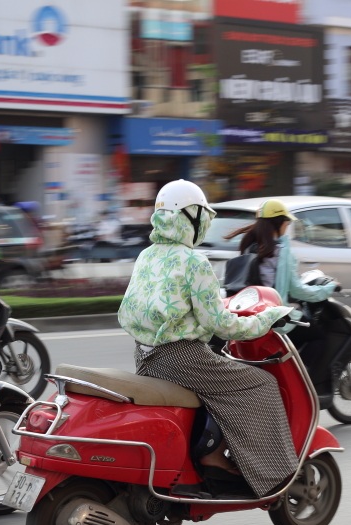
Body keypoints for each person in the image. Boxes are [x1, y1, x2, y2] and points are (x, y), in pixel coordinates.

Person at [117, 179, 298, 497]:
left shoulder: (146, 255)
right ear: (192, 217)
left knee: (220, 382)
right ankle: (273, 478)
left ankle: (211, 454)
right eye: (202, 217)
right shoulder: (193, 261)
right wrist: (267, 319)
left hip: (144, 356)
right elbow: (221, 326)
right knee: (262, 384)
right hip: (181, 358)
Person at [225, 199, 338, 390]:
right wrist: (328, 289)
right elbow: (298, 290)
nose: (287, 225)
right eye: (286, 222)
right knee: (318, 336)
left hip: (248, 317)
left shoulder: (249, 246)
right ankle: (303, 385)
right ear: (279, 223)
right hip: (276, 319)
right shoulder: (280, 252)